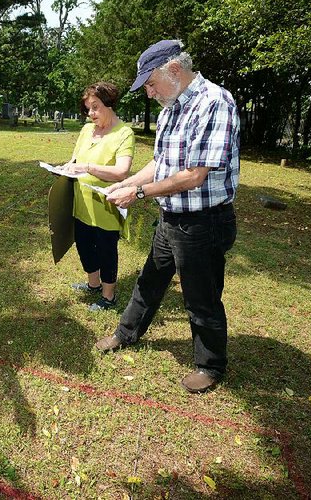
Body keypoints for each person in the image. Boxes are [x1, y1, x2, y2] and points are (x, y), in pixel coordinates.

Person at [96, 40, 239, 394]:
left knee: (200, 295)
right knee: (150, 279)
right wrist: (128, 182)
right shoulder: (170, 109)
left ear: (174, 70)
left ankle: (210, 365)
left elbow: (194, 175)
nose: (148, 93)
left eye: (150, 83)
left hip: (204, 221)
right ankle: (125, 333)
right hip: (172, 217)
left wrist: (139, 193)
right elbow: (162, 165)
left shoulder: (214, 103)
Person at [60, 82, 135, 311]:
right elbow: (75, 160)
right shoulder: (85, 130)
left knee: (106, 251)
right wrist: (66, 167)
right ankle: (93, 284)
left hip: (106, 205)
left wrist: (88, 168)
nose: (91, 113)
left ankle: (108, 296)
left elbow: (122, 171)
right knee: (84, 245)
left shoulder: (124, 133)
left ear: (109, 104)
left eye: (95, 107)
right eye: (87, 108)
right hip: (81, 203)